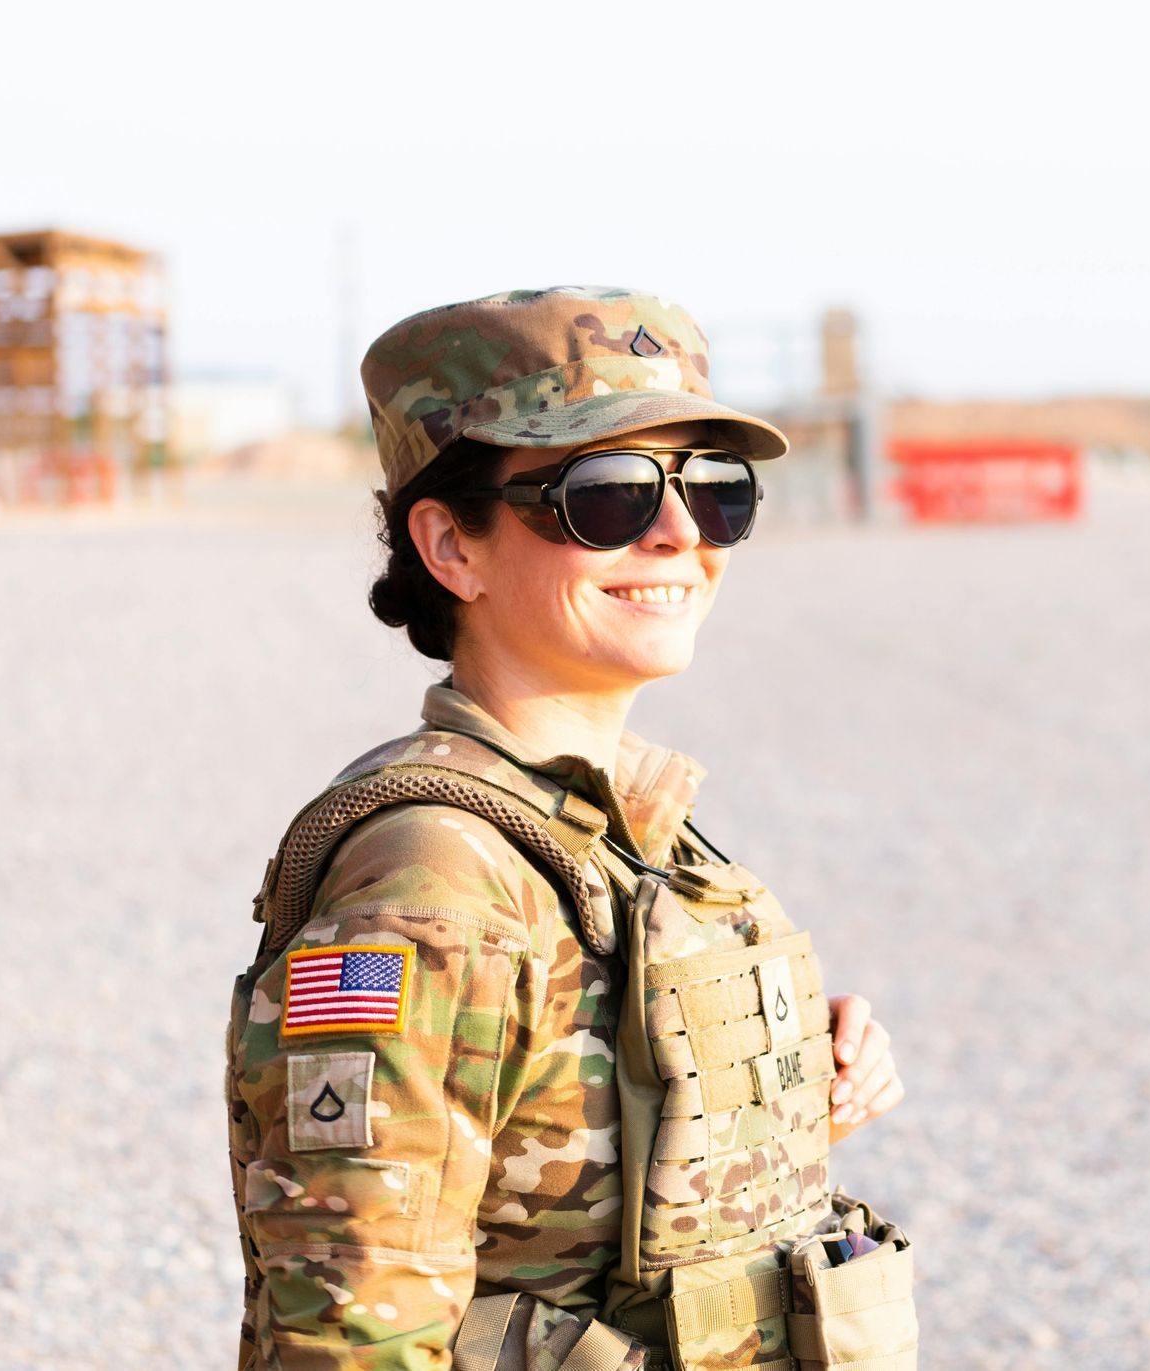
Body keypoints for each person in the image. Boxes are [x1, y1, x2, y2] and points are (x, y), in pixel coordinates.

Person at [226, 287, 915, 1370]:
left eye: (716, 491)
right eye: (608, 495)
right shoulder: (435, 881)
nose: (681, 534)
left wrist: (771, 1097)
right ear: (452, 544)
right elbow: (353, 1332)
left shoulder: (619, 825)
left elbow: (569, 1193)